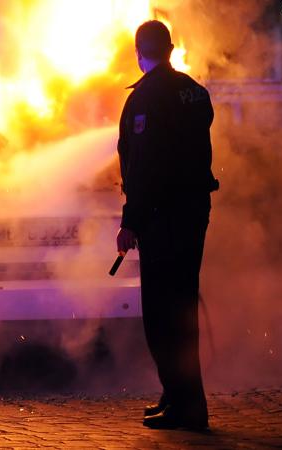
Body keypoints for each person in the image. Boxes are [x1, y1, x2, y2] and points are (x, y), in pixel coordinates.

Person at [116, 20, 218, 431]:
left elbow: (143, 167)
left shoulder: (145, 98)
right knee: (182, 309)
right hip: (192, 212)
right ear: (171, 48)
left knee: (162, 316)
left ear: (139, 50)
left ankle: (185, 405)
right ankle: (177, 397)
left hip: (162, 218)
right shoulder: (195, 91)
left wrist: (130, 222)